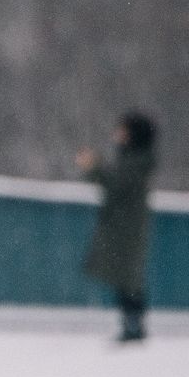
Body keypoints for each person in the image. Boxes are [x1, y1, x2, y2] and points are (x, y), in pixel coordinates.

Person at [77, 112, 157, 344]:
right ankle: (132, 324)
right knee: (126, 278)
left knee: (129, 278)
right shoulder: (134, 160)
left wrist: (93, 166)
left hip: (127, 230)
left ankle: (134, 325)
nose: (118, 134)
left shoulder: (136, 162)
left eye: (123, 131)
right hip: (124, 229)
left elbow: (113, 182)